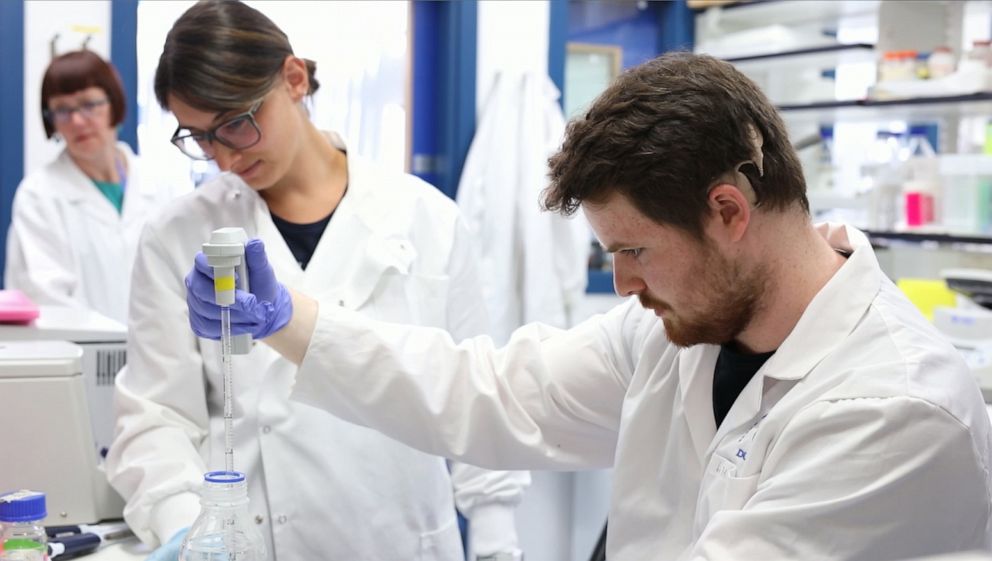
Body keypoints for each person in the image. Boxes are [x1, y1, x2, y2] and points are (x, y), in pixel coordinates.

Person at [186, 51, 992, 561]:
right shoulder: (677, 331)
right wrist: (289, 317)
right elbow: (492, 390)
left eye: (633, 250)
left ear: (729, 211)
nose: (623, 284)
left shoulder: (895, 407)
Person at [106, 2, 529, 561]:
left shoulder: (424, 217)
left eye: (236, 122)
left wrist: (497, 538)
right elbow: (158, 415)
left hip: (403, 540)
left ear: (294, 78)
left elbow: (477, 391)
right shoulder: (179, 235)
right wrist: (189, 531)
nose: (226, 159)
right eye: (203, 138)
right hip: (256, 543)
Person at [4, 50, 190, 324]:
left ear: (113, 104)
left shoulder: (163, 183)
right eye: (62, 110)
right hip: (82, 359)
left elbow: (185, 274)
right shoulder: (39, 196)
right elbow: (45, 298)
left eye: (89, 104)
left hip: (165, 352)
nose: (77, 121)